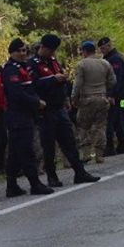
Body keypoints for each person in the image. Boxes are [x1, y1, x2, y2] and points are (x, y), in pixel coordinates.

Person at [31, 34, 99, 187]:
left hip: (59, 107)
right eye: (51, 50)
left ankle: (79, 172)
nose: (53, 54)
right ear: (43, 48)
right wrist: (52, 79)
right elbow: (34, 84)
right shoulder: (33, 64)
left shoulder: (54, 61)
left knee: (69, 141)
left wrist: (66, 97)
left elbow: (62, 81)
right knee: (48, 145)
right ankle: (52, 176)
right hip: (45, 110)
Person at [1, 39, 55, 198]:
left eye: (25, 50)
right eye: (19, 51)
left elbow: (29, 88)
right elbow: (16, 94)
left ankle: (11, 186)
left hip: (26, 115)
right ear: (12, 52)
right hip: (18, 116)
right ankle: (35, 183)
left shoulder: (23, 68)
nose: (23, 53)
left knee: (15, 153)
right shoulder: (11, 70)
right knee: (26, 151)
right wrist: (36, 102)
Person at [72, 40, 116, 165]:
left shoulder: (82, 64)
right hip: (102, 98)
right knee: (100, 126)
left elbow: (78, 84)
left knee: (83, 126)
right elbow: (113, 81)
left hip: (87, 99)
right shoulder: (105, 63)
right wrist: (105, 90)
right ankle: (99, 154)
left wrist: (74, 98)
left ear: (85, 51)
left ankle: (86, 153)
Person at [98, 37, 124, 156]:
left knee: (110, 121)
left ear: (109, 45)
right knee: (116, 121)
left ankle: (111, 146)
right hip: (114, 94)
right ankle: (121, 145)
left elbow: (116, 79)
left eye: (103, 47)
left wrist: (111, 94)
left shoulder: (114, 59)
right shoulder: (108, 59)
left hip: (114, 95)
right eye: (100, 48)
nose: (102, 50)